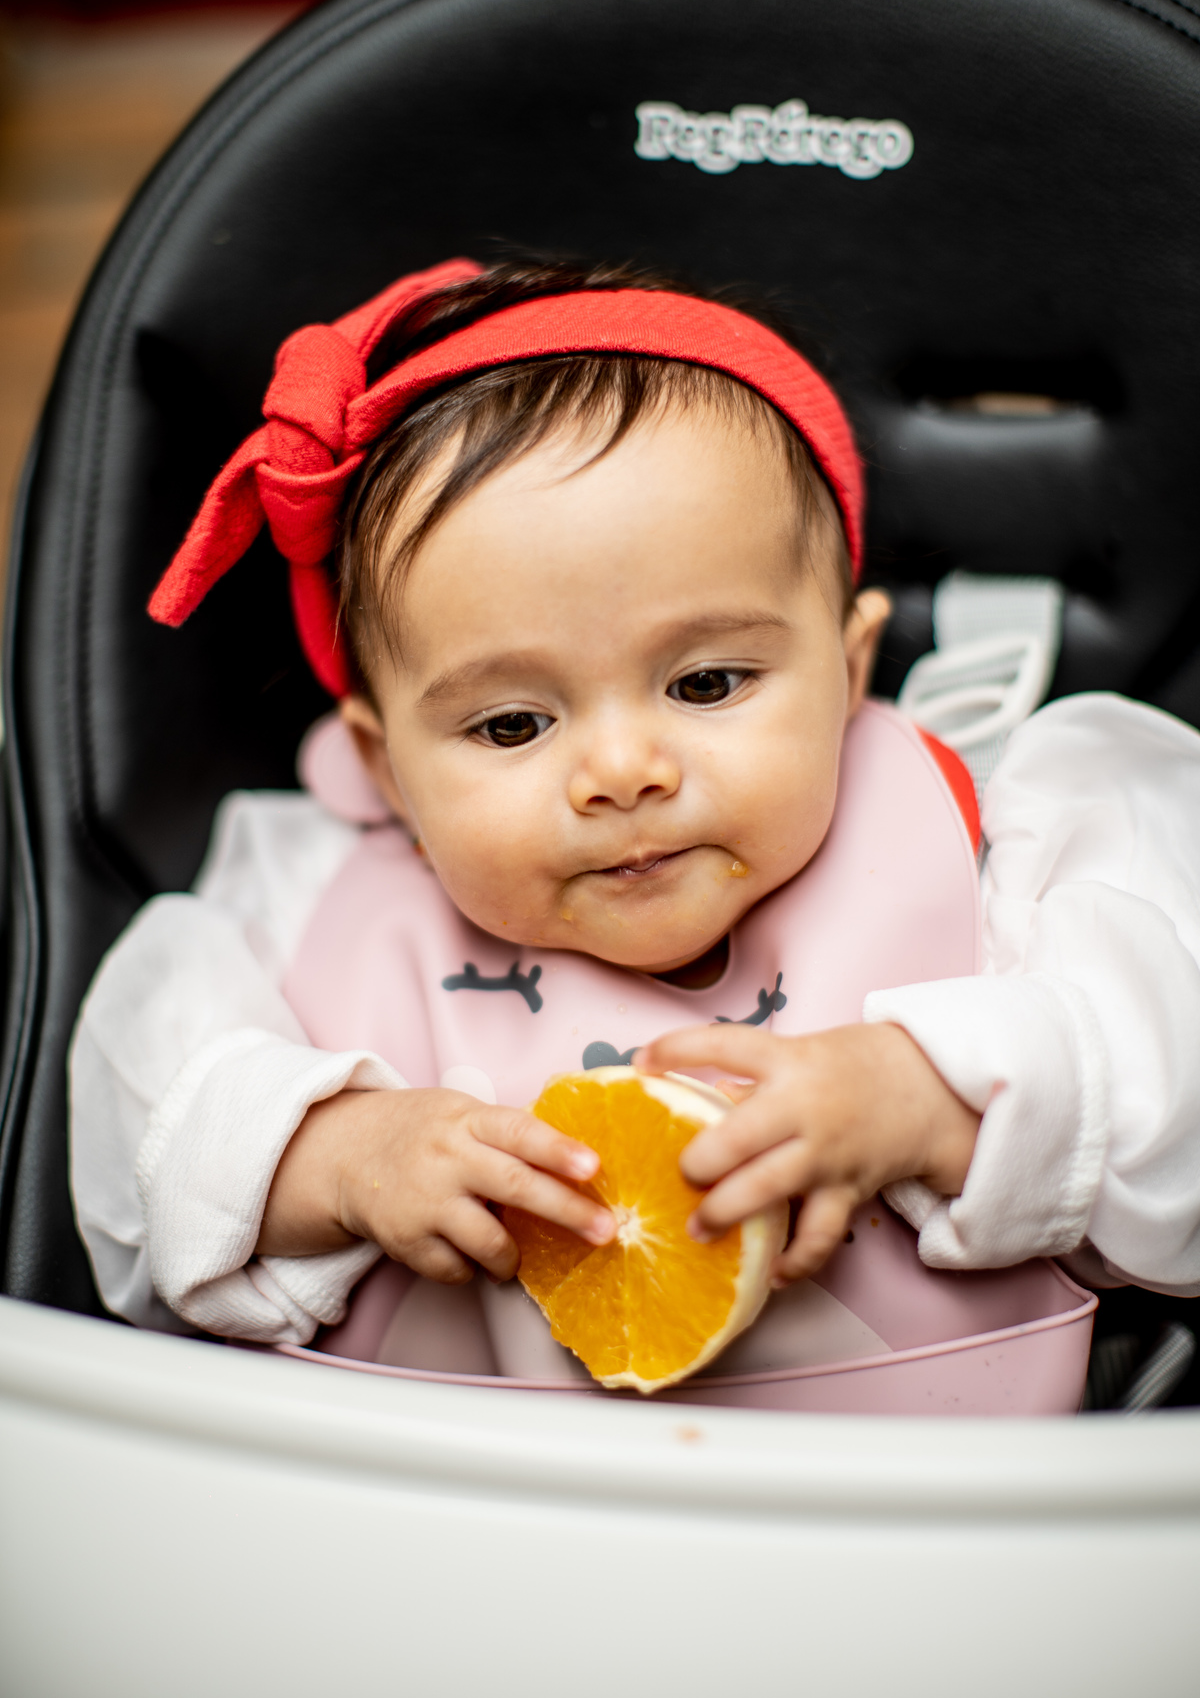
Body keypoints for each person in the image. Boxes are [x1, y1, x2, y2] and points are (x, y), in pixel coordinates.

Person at [69, 256, 1200, 1358]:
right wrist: (333, 1157)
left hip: (918, 1526)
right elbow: (142, 1147)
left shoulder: (1006, 853)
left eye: (707, 683)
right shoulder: (301, 896)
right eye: (511, 725)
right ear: (384, 765)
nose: (623, 772)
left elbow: (1176, 1109)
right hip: (420, 1525)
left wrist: (932, 1104)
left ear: (852, 673)